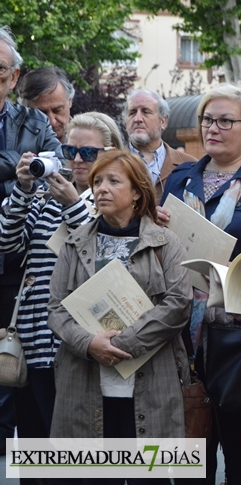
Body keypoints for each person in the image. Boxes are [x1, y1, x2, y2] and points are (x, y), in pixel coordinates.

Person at [161, 82, 241, 485]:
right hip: (182, 333)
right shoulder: (180, 180)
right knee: (188, 460)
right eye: (207, 120)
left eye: (224, 121)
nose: (212, 128)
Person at [47, 151, 191, 484]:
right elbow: (56, 306)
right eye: (97, 181)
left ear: (138, 191)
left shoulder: (164, 242)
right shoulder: (75, 242)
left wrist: (122, 344)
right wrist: (89, 344)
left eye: (113, 181)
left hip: (149, 381)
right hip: (85, 382)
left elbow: (178, 304)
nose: (101, 189)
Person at [0, 112, 123, 479]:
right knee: (36, 454)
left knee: (72, 459)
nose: (78, 160)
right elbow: (6, 243)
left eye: (88, 151)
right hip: (35, 338)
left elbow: (104, 256)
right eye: (70, 150)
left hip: (79, 343)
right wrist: (22, 189)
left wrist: (73, 203)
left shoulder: (118, 197)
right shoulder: (44, 194)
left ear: (110, 152)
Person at [0, 25, 61, 457]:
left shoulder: (35, 120)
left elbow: (52, 168)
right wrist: (13, 167)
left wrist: (25, 179)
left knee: (16, 376)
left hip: (20, 269)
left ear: (14, 77)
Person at [125, 88, 196, 203]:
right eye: (132, 113)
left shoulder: (190, 166)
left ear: (163, 122)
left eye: (146, 112)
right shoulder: (110, 165)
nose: (138, 119)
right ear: (125, 122)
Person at [17, 66, 74, 143]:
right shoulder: (12, 143)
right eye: (41, 114)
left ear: (70, 101)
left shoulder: (91, 140)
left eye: (58, 110)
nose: (52, 122)